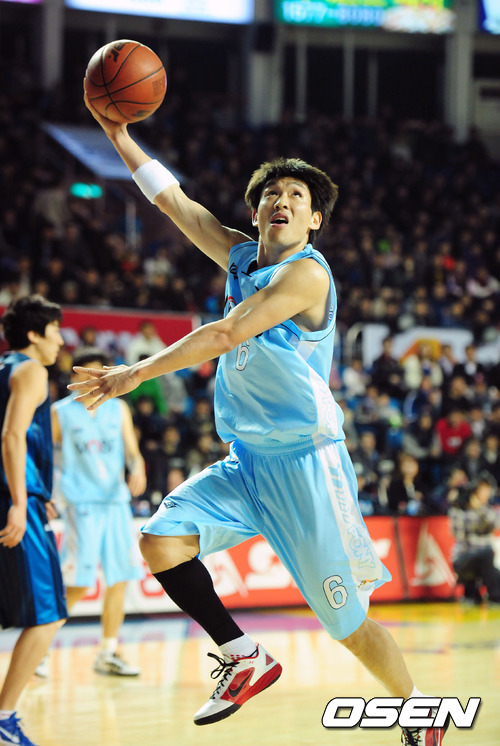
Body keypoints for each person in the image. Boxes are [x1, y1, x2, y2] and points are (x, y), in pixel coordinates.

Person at [72, 91, 450, 745]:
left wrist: (135, 373)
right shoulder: (242, 256)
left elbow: (226, 333)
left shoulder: (308, 278)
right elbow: (175, 204)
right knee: (161, 539)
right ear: (256, 212)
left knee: (347, 626)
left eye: (297, 197)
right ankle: (243, 656)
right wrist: (119, 136)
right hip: (247, 462)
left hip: (307, 467)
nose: (283, 201)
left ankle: (421, 710)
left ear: (314, 221)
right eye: (273, 193)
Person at [45, 346, 146, 677]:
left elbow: (133, 452)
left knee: (119, 578)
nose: (93, 381)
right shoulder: (60, 412)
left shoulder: (118, 409)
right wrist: (47, 495)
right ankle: (39, 651)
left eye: (98, 375)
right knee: (77, 583)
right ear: (74, 378)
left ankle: (108, 652)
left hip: (115, 502)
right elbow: (43, 457)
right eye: (86, 375)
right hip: (81, 504)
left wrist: (137, 468)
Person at [0, 295, 67, 746]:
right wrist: (21, 502)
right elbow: (11, 436)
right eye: (55, 331)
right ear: (33, 335)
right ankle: (4, 717)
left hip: (20, 493)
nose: (60, 340)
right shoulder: (31, 370)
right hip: (12, 498)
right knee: (48, 614)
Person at [448, 473, 500, 605]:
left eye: (487, 490)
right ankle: (494, 597)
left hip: (484, 560)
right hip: (463, 559)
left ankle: (472, 593)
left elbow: (496, 523)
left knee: (492, 565)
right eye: (482, 489)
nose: (486, 493)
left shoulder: (486, 509)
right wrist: (459, 504)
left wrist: (480, 508)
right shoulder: (459, 511)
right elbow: (459, 535)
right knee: (487, 553)